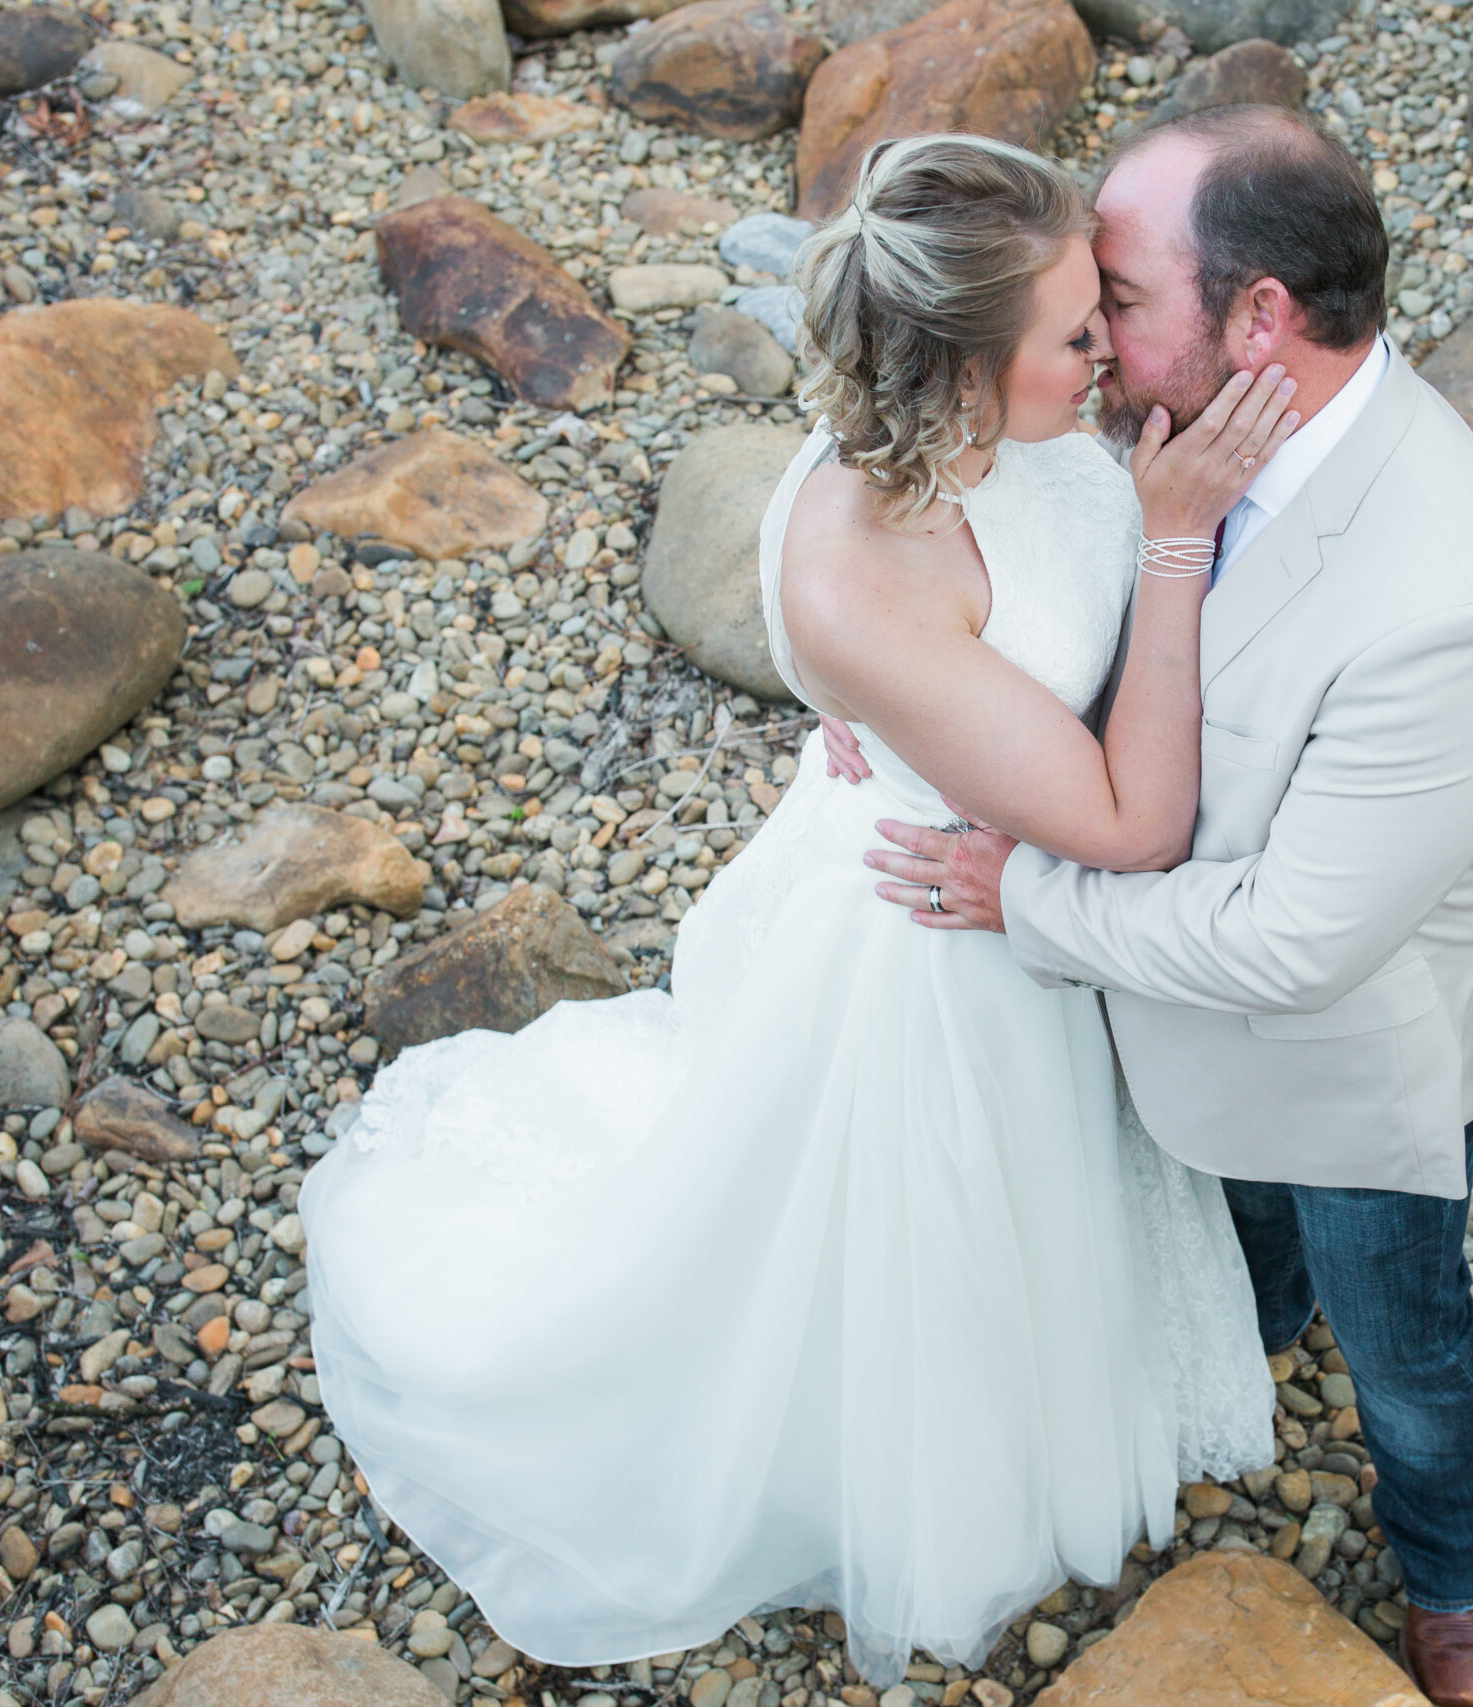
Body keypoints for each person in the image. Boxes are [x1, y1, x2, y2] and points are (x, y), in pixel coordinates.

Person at [298, 134, 1300, 1690]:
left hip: (966, 849)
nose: (1109, 357)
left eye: (1103, 312)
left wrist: (910, 717)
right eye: (1076, 337)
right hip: (941, 947)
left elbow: (999, 638)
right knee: (929, 1252)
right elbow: (1127, 820)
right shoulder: (865, 574)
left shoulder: (970, 432)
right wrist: (1172, 543)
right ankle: (942, 1477)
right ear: (965, 376)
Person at [847, 105, 1473, 1707]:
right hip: (1166, 1030)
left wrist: (1023, 900)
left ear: (1259, 316)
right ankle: (1240, 1344)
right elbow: (1007, 572)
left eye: (1118, 296)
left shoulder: (1455, 601)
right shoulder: (1186, 421)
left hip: (1339, 1070)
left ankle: (1450, 1570)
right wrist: (908, 685)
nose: (1091, 338)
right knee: (1231, 1245)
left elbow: (1295, 945)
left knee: (1412, 1352)